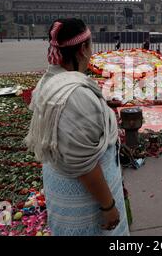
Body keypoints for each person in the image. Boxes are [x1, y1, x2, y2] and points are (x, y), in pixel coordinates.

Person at [25, 18, 129, 236]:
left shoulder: (49, 80)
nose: (92, 52)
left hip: (60, 189)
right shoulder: (76, 96)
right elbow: (85, 165)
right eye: (91, 46)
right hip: (85, 201)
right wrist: (108, 206)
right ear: (82, 49)